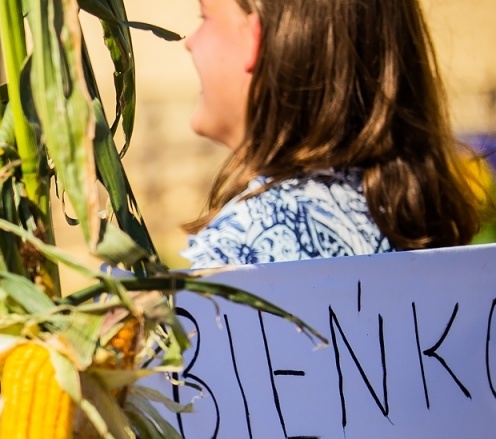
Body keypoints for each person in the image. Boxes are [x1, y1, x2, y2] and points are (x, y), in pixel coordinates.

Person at [182, 0, 482, 267]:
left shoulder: (235, 253)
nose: (189, 42)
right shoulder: (414, 219)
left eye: (204, 15)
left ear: (255, 37)